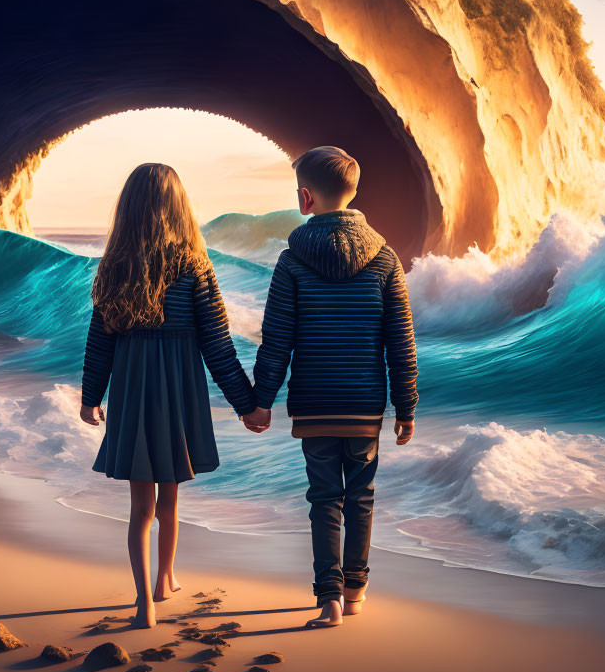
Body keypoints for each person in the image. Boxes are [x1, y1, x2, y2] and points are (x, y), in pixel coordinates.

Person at [79, 163, 268, 628]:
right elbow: (218, 345)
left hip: (133, 388)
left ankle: (144, 604)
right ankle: (165, 580)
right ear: (180, 208)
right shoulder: (196, 266)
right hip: (179, 388)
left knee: (139, 507)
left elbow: (99, 342)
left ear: (128, 210)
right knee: (170, 497)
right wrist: (247, 404)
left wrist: (90, 397)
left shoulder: (114, 267)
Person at [248, 146, 418, 628]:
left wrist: (262, 401)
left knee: (324, 497)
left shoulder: (291, 262)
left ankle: (330, 600)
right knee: (360, 495)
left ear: (306, 197)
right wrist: (405, 406)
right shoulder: (385, 259)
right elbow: (400, 343)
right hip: (364, 402)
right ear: (355, 193)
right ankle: (357, 589)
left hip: (315, 402)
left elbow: (277, 339)